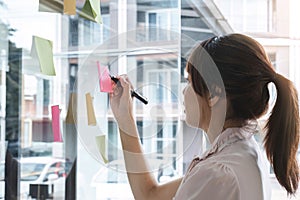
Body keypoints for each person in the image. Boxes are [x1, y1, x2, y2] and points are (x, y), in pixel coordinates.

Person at [109, 33, 299, 200]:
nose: (184, 92)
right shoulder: (242, 153)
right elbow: (150, 195)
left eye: (189, 82)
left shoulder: (216, 173)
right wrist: (125, 118)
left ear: (213, 94)